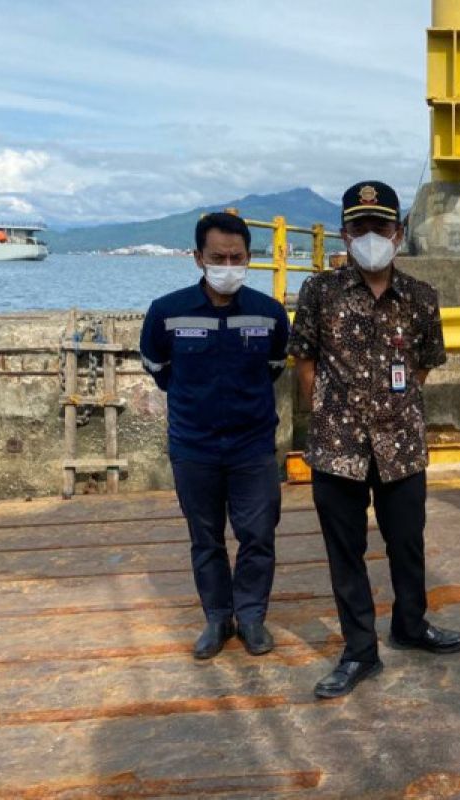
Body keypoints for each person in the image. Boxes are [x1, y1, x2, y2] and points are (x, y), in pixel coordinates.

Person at [289, 180, 460, 700]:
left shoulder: (420, 298)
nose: (371, 235)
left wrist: (393, 409)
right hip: (336, 448)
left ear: (399, 232)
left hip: (401, 447)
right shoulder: (319, 292)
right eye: (360, 226)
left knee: (407, 544)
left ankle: (410, 625)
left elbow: (425, 366)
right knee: (346, 552)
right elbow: (304, 359)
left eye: (381, 226)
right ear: (345, 232)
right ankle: (360, 651)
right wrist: (325, 411)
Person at [140, 212, 290, 658]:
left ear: (249, 258)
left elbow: (275, 366)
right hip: (194, 446)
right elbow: (158, 368)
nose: (228, 265)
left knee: (258, 534)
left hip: (253, 446)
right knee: (205, 538)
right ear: (198, 258)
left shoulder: (269, 313)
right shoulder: (166, 312)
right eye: (218, 257)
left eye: (237, 257)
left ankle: (251, 617)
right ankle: (216, 618)